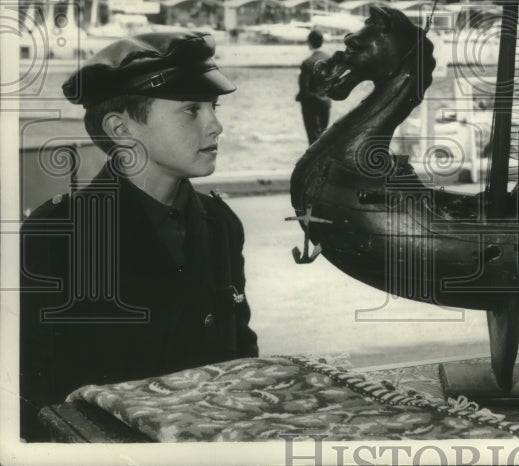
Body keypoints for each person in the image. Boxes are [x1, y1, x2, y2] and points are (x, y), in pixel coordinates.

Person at [20, 31, 258, 441]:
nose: (216, 125)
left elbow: (240, 360)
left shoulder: (220, 224)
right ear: (121, 128)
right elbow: (37, 398)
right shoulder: (59, 234)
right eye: (191, 111)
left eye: (213, 108)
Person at [296, 29, 332, 144]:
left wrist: (299, 97)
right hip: (326, 102)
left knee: (313, 139)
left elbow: (304, 90)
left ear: (309, 43)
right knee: (323, 136)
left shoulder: (307, 63)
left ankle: (314, 162)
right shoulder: (329, 59)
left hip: (311, 104)